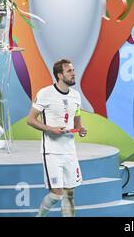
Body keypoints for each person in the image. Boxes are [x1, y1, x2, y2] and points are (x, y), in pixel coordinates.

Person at [27, 59, 87, 217]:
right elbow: (31, 120)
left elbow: (77, 117)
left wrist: (80, 129)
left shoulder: (76, 96)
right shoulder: (45, 93)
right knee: (56, 194)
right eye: (69, 71)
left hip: (70, 151)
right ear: (60, 75)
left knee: (70, 194)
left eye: (73, 70)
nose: (74, 74)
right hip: (52, 152)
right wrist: (50, 129)